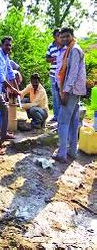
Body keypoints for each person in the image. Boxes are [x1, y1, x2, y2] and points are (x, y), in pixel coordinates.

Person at [53, 28, 86, 163]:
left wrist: (65, 91)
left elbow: (72, 73)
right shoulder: (71, 49)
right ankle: (72, 151)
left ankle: (62, 153)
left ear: (72, 36)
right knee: (73, 122)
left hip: (71, 91)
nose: (65, 39)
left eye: (67, 36)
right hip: (75, 90)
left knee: (62, 121)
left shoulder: (74, 50)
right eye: (62, 37)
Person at [46, 29, 63, 121]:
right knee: (55, 95)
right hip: (53, 75)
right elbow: (47, 58)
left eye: (60, 35)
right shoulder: (51, 46)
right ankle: (56, 116)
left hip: (62, 75)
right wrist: (52, 59)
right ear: (54, 37)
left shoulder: (64, 45)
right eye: (58, 35)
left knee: (61, 96)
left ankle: (61, 116)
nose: (60, 37)